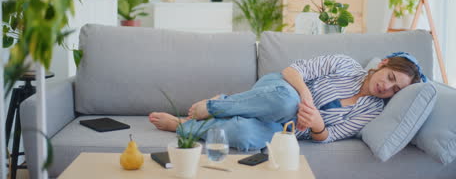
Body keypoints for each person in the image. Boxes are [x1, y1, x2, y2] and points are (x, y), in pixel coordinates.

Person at [149, 52, 426, 151]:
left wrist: (317, 126)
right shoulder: (345, 64)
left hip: (289, 129)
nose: (385, 87)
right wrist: (306, 97)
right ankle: (213, 107)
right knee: (285, 102)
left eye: (394, 89)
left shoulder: (373, 111)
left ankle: (183, 126)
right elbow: (291, 72)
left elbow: (328, 136)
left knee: (247, 136)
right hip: (279, 91)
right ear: (384, 63)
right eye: (389, 76)